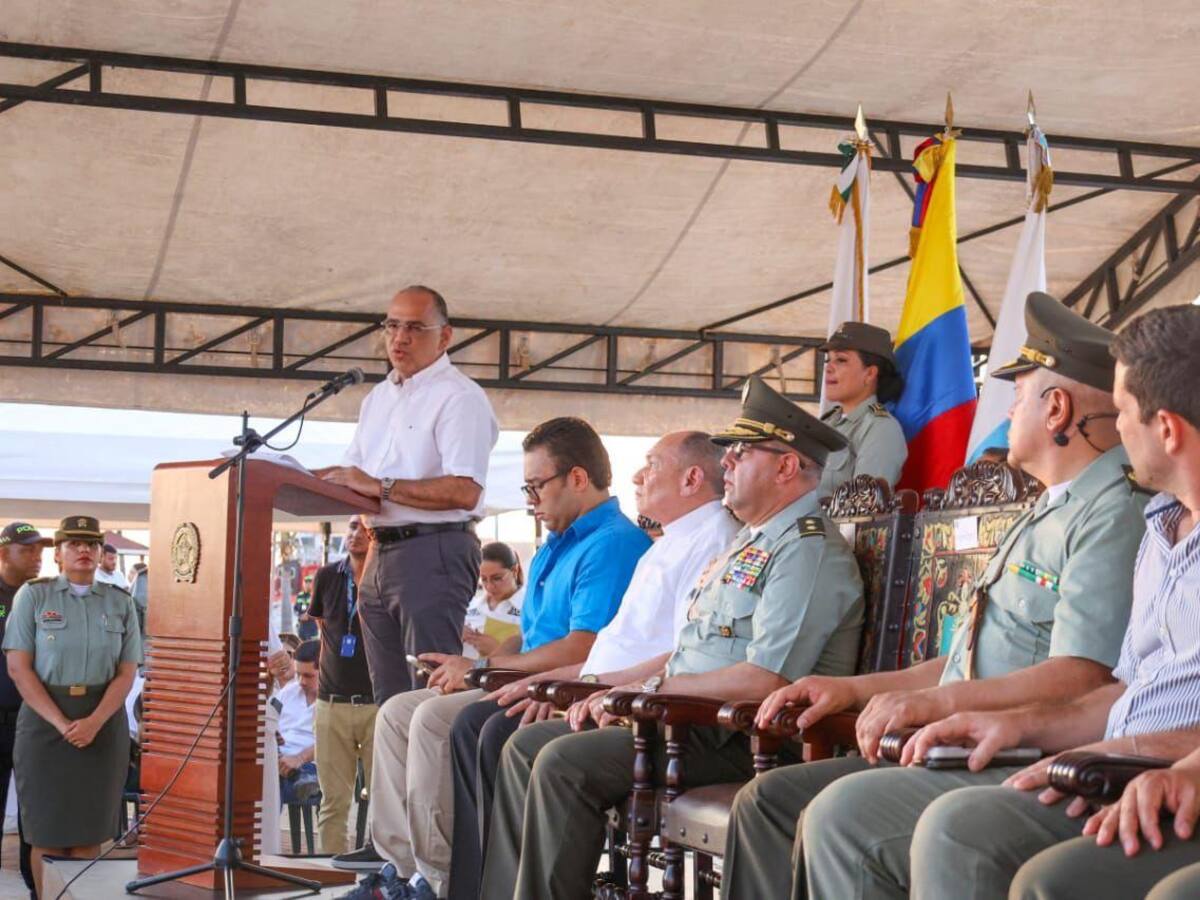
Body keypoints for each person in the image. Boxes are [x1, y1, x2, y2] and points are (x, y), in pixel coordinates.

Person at [721, 292, 1151, 899]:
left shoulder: (1112, 514)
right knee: (771, 799)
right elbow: (961, 661)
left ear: (1056, 409)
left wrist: (940, 705)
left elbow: (1082, 676)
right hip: (963, 742)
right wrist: (853, 689)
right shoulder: (1045, 512)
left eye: (1019, 395)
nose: (1007, 411)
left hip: (1020, 751)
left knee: (842, 816)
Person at [482, 376, 865, 900]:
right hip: (691, 721)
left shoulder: (806, 552)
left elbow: (766, 678)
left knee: (561, 763)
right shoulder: (748, 545)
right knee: (528, 743)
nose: (725, 463)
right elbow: (691, 650)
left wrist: (650, 694)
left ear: (786, 466)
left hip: (746, 735)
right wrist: (624, 689)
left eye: (742, 452)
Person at [879, 303, 1200, 900]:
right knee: (964, 828)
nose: (1116, 433)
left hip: (1145, 772)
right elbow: (1124, 690)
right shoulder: (1160, 527)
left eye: (1123, 413)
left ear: (1168, 430)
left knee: (989, 846)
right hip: (1111, 764)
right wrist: (1015, 725)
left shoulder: (1118, 513)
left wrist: (1154, 761)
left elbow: (1082, 673)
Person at [335, 417, 652, 900]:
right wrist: (477, 667)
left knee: (432, 720)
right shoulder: (555, 545)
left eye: (536, 485)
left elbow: (582, 648)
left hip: (568, 688)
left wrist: (483, 673)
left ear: (578, 479)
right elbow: (524, 638)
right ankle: (400, 871)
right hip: (525, 678)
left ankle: (438, 879)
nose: (530, 498)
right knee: (399, 711)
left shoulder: (611, 543)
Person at [316, 285, 499, 704]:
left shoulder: (459, 397)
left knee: (431, 695)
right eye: (392, 325)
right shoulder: (378, 398)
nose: (399, 338)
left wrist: (380, 486)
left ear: (445, 336)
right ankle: (397, 773)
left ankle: (434, 774)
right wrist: (299, 478)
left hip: (432, 551)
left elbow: (465, 490)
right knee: (390, 700)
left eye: (415, 327)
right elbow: (355, 477)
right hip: (380, 552)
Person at [2, 515, 141, 899]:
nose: (84, 550)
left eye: (92, 544)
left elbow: (126, 672)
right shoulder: (33, 595)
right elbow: (19, 667)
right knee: (46, 834)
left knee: (87, 836)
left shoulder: (121, 602)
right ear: (58, 555)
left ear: (100, 553)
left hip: (102, 723)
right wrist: (63, 723)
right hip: (45, 724)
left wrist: (94, 721)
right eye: (74, 544)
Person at [307, 516, 377, 854]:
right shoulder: (326, 576)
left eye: (365, 528)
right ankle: (328, 876)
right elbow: (324, 628)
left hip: (378, 705)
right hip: (331, 702)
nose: (356, 534)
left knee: (385, 799)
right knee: (333, 801)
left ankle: (383, 873)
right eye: (351, 527)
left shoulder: (387, 579)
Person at [0, 522, 49, 898]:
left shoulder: (43, 596)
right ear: (4, 553)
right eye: (27, 550)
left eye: (39, 550)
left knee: (37, 812)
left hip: (33, 717)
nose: (37, 557)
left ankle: (36, 888)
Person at [817, 321, 908, 498]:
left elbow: (863, 507)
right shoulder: (826, 423)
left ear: (870, 374)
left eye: (841, 360)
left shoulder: (881, 429)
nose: (828, 368)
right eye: (828, 360)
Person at [461, 542, 525, 660]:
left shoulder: (530, 609)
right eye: (484, 579)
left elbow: (540, 658)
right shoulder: (469, 607)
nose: (489, 586)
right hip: (466, 675)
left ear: (514, 571)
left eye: (497, 578)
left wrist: (497, 650)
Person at [277, 640, 320, 805]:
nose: (301, 681)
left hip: (311, 766)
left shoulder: (337, 703)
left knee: (271, 783)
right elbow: (268, 722)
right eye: (298, 674)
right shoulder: (290, 691)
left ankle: (264, 831)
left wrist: (300, 758)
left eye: (308, 676)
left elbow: (336, 744)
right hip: (278, 758)